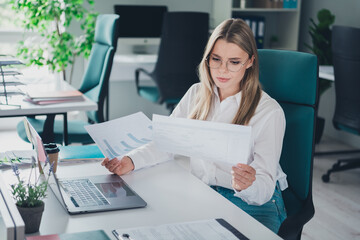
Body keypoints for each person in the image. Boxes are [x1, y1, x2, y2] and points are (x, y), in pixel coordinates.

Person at [102, 18, 287, 233]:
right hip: (206, 191)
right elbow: (166, 142)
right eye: (216, 59)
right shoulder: (196, 94)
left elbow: (264, 186)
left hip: (254, 202)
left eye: (234, 62)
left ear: (250, 62)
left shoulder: (269, 112)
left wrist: (248, 185)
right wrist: (131, 161)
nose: (222, 70)